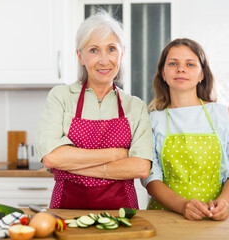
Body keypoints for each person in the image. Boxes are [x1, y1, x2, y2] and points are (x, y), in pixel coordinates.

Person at [36, 11, 153, 210]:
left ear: (121, 54)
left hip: (122, 215)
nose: (104, 60)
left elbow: (141, 168)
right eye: (93, 50)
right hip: (66, 212)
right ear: (80, 56)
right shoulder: (61, 97)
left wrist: (73, 165)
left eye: (111, 49)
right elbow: (51, 157)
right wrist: (117, 154)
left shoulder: (136, 106)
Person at [142, 38, 229, 220]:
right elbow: (151, 179)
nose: (181, 69)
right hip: (164, 216)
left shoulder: (223, 115)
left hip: (213, 216)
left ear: (202, 74)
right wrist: (183, 206)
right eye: (173, 63)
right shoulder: (153, 120)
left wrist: (223, 203)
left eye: (190, 64)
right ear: (163, 73)